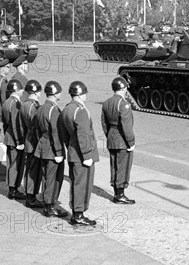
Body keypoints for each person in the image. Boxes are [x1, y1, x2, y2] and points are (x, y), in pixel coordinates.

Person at [59, 81, 99, 226]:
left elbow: (63, 133)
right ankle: (79, 214)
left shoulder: (67, 109)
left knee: (76, 183)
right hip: (82, 154)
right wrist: (87, 155)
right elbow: (83, 134)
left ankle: (77, 212)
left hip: (73, 151)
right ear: (81, 94)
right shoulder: (80, 110)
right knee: (83, 184)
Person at [34, 81, 68, 218]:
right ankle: (50, 206)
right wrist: (59, 151)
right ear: (55, 93)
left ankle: (48, 203)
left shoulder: (41, 108)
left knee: (46, 177)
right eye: (59, 91)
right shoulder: (53, 110)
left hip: (43, 145)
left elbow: (37, 128)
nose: (60, 93)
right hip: (53, 149)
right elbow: (55, 132)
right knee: (54, 178)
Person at [101, 77, 136, 204]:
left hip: (112, 137)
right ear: (123, 88)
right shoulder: (123, 104)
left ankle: (116, 192)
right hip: (122, 140)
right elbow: (126, 127)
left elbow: (104, 123)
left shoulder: (107, 102)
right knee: (123, 167)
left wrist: (109, 136)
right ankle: (120, 195)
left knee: (114, 166)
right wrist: (131, 142)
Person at [2, 79, 26, 200]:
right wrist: (19, 141)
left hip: (9, 136)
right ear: (16, 90)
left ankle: (13, 188)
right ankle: (13, 189)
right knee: (16, 165)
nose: (22, 91)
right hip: (15, 139)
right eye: (21, 89)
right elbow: (16, 124)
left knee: (11, 163)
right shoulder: (15, 104)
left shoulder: (7, 102)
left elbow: (5, 122)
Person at [20, 80, 43, 208]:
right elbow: (36, 125)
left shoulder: (24, 104)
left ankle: (30, 194)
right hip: (34, 140)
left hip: (27, 139)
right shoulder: (34, 106)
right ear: (36, 92)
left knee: (29, 168)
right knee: (34, 170)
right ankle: (31, 196)